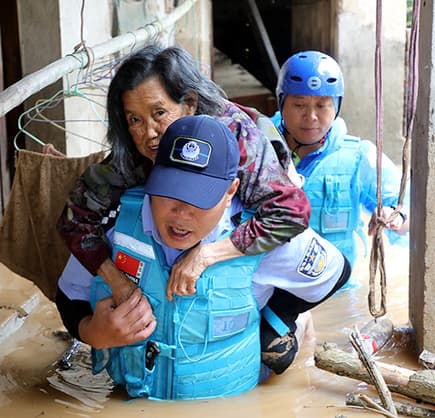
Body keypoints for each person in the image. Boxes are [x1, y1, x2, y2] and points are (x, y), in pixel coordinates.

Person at [57, 115, 351, 400]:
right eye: (169, 194)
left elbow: (336, 272)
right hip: (132, 397)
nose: (181, 216)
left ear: (230, 191)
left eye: (199, 199)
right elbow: (69, 294)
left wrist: (274, 318)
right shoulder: (118, 225)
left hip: (233, 402)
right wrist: (93, 333)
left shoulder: (268, 238)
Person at [56, 43, 310, 310]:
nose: (150, 133)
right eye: (135, 120)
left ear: (189, 104)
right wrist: (117, 281)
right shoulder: (137, 152)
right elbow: (74, 220)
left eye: (159, 114)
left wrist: (206, 255)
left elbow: (291, 212)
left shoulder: (234, 137)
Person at [271, 50, 409, 270]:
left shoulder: (359, 157)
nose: (311, 116)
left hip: (336, 292)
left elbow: (408, 212)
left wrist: (394, 216)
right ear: (281, 103)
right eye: (299, 105)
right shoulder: (257, 150)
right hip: (273, 290)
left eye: (322, 105)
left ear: (336, 107)